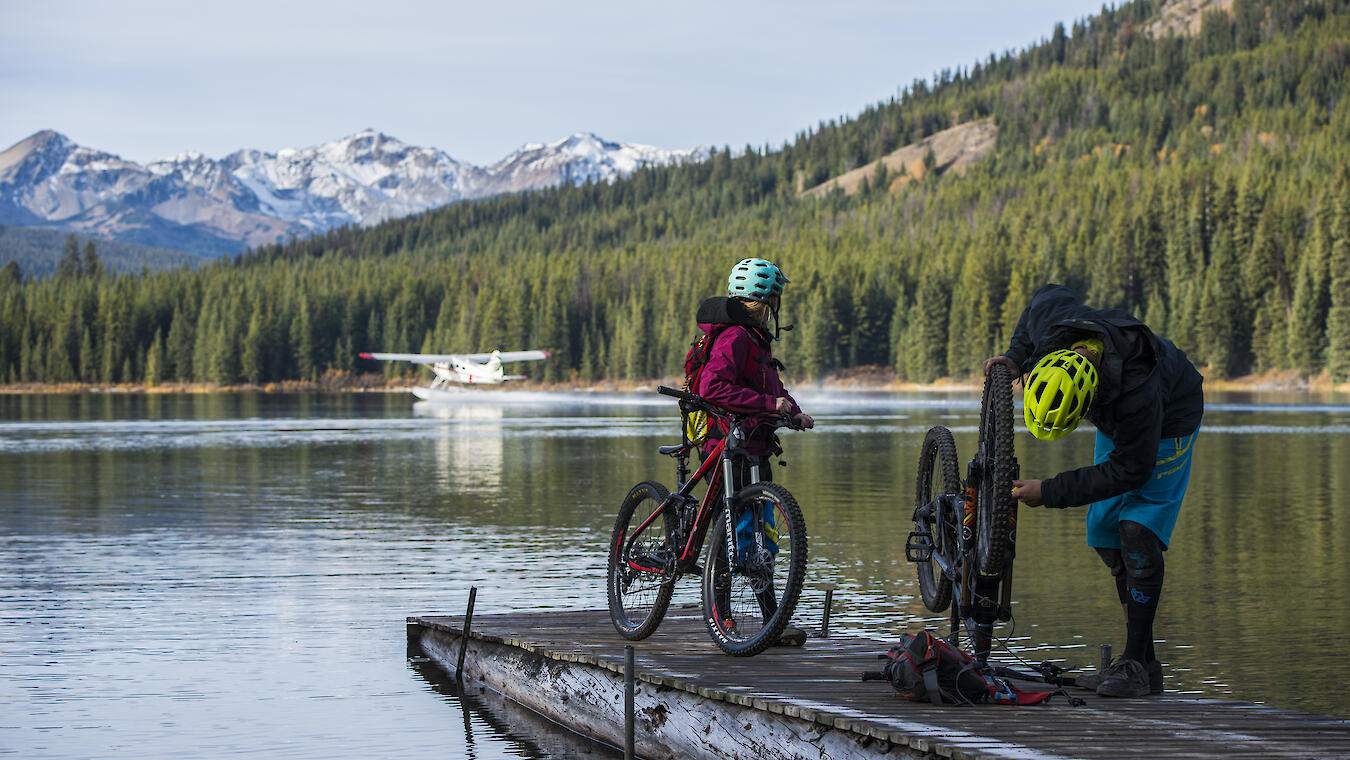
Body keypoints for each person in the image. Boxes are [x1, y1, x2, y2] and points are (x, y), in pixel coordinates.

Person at [983, 283, 1203, 698]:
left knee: (1137, 530)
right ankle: (1144, 664)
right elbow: (1044, 295)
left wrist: (1048, 491)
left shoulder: (1139, 390)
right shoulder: (1053, 327)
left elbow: (1131, 471)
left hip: (1170, 416)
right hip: (1115, 414)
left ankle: (1135, 662)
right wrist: (1015, 357)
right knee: (1105, 533)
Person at [694, 257, 814, 645]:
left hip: (754, 447)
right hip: (725, 446)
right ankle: (722, 618)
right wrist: (767, 405)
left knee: (760, 538)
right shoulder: (737, 338)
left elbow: (774, 393)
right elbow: (712, 390)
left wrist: (793, 412)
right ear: (768, 302)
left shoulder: (756, 341)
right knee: (727, 535)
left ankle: (770, 623)